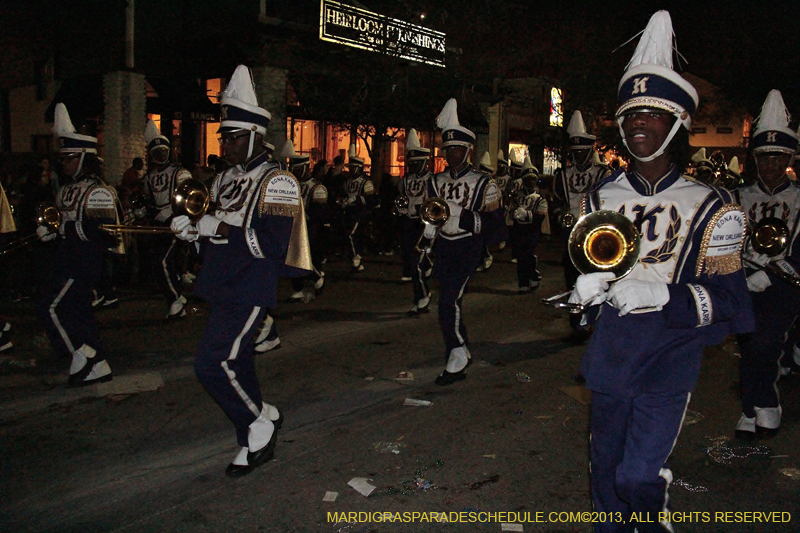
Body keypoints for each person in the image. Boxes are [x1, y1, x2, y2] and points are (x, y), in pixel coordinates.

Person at [566, 12, 753, 531]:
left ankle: (651, 519)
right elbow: (584, 296)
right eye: (630, 114)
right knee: (605, 478)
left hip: (669, 356)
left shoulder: (714, 204)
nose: (638, 123)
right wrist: (583, 297)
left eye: (651, 113)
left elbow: (731, 303)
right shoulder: (597, 198)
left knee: (637, 476)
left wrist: (664, 295)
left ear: (677, 123)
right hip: (611, 355)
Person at [170, 65, 310, 477]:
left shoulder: (279, 181)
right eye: (223, 137)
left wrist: (217, 228)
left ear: (253, 136)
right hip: (222, 282)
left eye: (232, 138)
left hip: (251, 285)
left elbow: (272, 246)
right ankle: (262, 412)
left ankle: (256, 425)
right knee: (238, 359)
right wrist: (193, 233)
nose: (226, 145)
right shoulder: (222, 180)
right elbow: (215, 236)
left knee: (212, 362)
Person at [733, 89, 800, 439]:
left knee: (766, 344)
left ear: (788, 157)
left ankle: (764, 403)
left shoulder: (799, 197)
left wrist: (778, 272)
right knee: (747, 347)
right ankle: (752, 409)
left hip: (784, 284)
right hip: (744, 281)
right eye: (764, 158)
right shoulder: (738, 196)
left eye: (777, 158)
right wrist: (739, 272)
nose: (770, 165)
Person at [37, 103, 117, 386]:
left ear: (84, 157)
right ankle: (99, 364)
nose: (64, 163)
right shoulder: (65, 189)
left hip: (83, 261)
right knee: (79, 313)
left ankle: (83, 353)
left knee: (51, 306)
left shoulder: (98, 191)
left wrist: (65, 229)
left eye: (69, 158)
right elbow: (62, 223)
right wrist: (50, 232)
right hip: (67, 257)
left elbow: (105, 232)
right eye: (62, 159)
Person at [426, 99, 505, 385]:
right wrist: (427, 237)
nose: (451, 154)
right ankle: (461, 346)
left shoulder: (484, 183)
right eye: (447, 150)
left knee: (449, 301)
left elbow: (496, 230)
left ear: (468, 150)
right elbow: (430, 216)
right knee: (448, 300)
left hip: (467, 247)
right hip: (443, 247)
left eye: (456, 149)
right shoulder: (435, 181)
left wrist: (461, 215)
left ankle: (458, 352)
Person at [554, 110, 610, 341]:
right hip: (570, 233)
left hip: (593, 233)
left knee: (593, 277)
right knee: (572, 278)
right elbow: (556, 202)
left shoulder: (603, 173)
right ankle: (576, 323)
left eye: (582, 152)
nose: (578, 156)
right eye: (575, 152)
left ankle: (593, 317)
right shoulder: (562, 175)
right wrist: (561, 215)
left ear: (590, 151)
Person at [142, 119, 192, 318]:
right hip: (157, 222)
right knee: (160, 262)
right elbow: (148, 199)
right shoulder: (149, 176)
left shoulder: (180, 172)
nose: (160, 155)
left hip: (175, 221)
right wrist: (144, 211)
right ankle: (176, 295)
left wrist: (171, 212)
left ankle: (175, 301)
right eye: (157, 152)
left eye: (163, 151)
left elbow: (189, 198)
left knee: (162, 261)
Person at [280, 139, 327, 301]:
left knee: (300, 256)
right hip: (292, 225)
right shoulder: (292, 185)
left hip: (309, 226)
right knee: (291, 256)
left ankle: (316, 278)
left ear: (306, 167)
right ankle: (299, 287)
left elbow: (320, 212)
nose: (295, 172)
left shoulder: (316, 187)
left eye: (298, 169)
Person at [397, 128, 432, 314]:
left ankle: (423, 297)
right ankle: (420, 296)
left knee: (416, 263)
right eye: (411, 164)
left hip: (424, 225)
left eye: (415, 164)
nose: (412, 167)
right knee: (412, 262)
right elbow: (403, 198)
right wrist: (402, 208)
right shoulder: (405, 180)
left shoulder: (432, 180)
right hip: (409, 223)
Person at [509, 156, 547, 292]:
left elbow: (541, 216)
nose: (530, 182)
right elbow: (510, 212)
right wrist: (513, 214)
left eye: (532, 179)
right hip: (519, 230)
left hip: (532, 231)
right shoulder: (517, 196)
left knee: (529, 256)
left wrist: (527, 215)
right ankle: (523, 283)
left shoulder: (539, 198)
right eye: (527, 179)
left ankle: (533, 276)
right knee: (520, 257)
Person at [341, 144, 376, 271]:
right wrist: (343, 201)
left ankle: (356, 257)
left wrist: (357, 199)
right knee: (350, 235)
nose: (350, 170)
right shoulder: (347, 182)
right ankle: (357, 257)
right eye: (350, 167)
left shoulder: (366, 182)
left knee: (351, 235)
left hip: (360, 213)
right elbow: (344, 194)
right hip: (348, 212)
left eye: (353, 168)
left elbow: (371, 200)